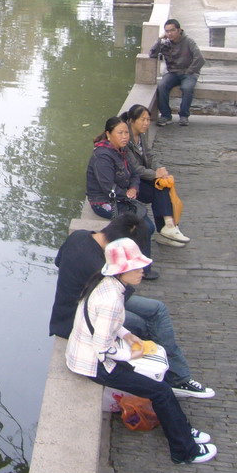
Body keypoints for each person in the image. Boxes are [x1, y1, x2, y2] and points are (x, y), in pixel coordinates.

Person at [65, 238, 218, 465]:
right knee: (161, 392)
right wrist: (130, 355)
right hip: (95, 364)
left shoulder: (106, 285)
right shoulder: (111, 299)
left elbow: (104, 323)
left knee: (162, 386)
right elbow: (102, 347)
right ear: (121, 271)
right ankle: (184, 451)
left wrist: (126, 335)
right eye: (135, 268)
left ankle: (184, 430)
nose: (142, 272)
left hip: (91, 356)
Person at [49, 213, 215, 399]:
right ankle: (164, 377)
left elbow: (58, 262)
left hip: (81, 306)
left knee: (156, 309)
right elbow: (119, 298)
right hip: (81, 318)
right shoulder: (103, 267)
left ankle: (178, 376)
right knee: (140, 324)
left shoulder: (78, 236)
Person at [86, 116, 158, 280]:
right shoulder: (102, 157)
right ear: (108, 134)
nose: (125, 136)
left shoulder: (122, 150)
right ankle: (141, 268)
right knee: (143, 227)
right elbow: (107, 187)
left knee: (145, 224)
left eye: (126, 132)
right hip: (104, 201)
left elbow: (134, 173)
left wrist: (133, 187)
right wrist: (125, 194)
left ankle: (138, 263)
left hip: (123, 198)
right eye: (120, 133)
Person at [122, 104, 189, 246]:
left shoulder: (141, 135)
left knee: (162, 184)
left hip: (142, 178)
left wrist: (160, 169)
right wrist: (155, 174)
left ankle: (167, 229)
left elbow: (150, 155)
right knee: (159, 189)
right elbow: (135, 168)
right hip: (130, 183)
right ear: (131, 121)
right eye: (143, 120)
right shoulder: (125, 139)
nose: (146, 123)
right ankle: (168, 228)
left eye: (148, 119)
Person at [149, 19, 205, 127]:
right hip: (173, 73)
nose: (169, 33)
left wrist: (189, 71)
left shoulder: (189, 41)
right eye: (167, 31)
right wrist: (159, 39)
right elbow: (152, 54)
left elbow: (200, 59)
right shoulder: (165, 43)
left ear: (179, 30)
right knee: (162, 85)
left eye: (172, 30)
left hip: (189, 73)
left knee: (187, 88)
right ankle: (166, 115)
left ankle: (184, 116)